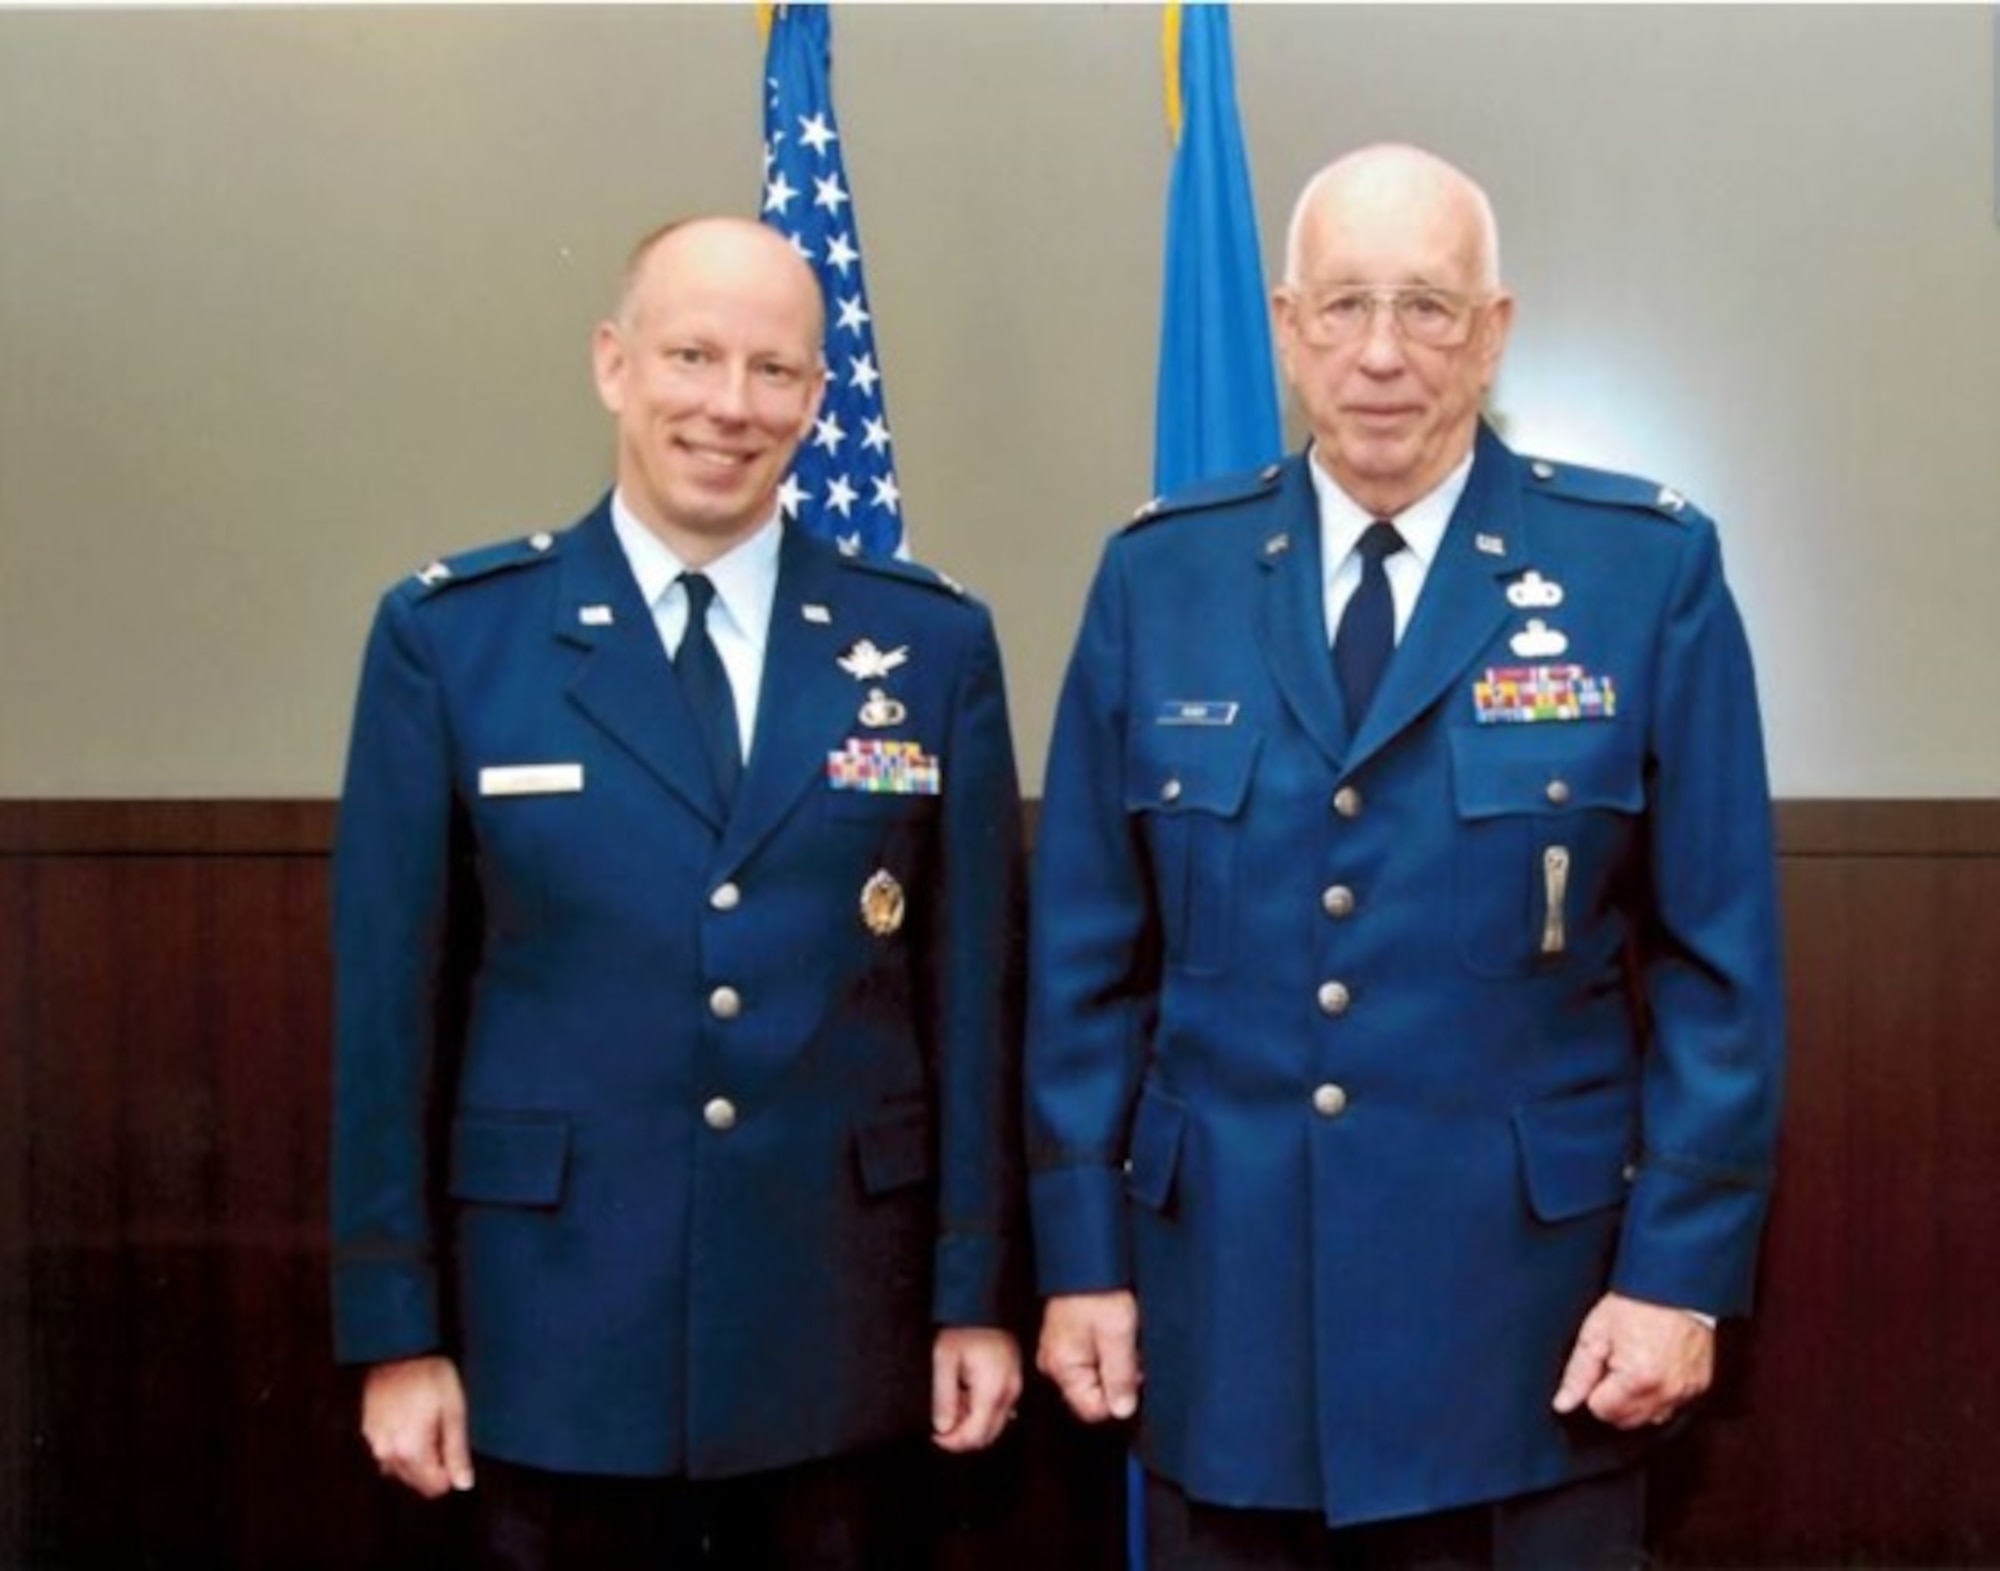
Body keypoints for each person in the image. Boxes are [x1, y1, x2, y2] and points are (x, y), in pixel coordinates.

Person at [1026, 144, 1785, 1568]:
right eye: (1346, 305)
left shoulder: (1643, 573)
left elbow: (1717, 969)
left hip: (1539, 1340)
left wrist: (1678, 1278)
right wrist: (1081, 1265)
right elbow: (1084, 965)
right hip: (1229, 1329)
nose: (1383, 354)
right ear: (1286, 324)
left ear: (1493, 332)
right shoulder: (1159, 580)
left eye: (1430, 308)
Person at [330, 215, 1026, 1569]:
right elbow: (387, 1018)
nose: (730, 405)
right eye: (692, 356)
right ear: (613, 365)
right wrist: (394, 1330)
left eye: (775, 371)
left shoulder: (931, 644)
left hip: (839, 1329)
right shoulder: (455, 638)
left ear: (820, 399)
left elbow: (972, 999)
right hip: (548, 1335)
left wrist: (973, 1295)